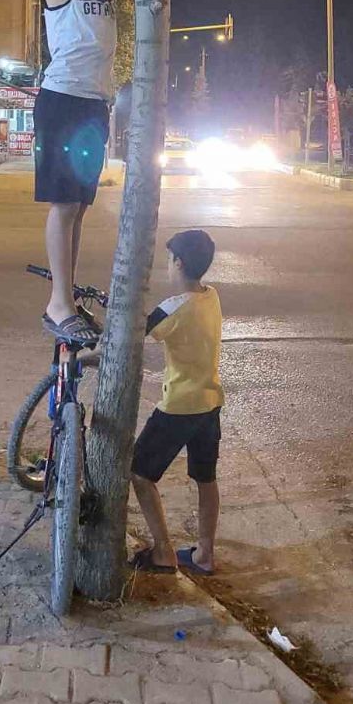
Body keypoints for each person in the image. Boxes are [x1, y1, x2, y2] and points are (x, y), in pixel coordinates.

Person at [35, 0, 152, 345]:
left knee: (80, 205)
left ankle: (67, 297)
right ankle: (58, 303)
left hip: (93, 103)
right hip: (62, 98)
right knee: (64, 205)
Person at [129, 230, 223, 576]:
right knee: (205, 477)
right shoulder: (211, 296)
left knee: (139, 472)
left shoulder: (172, 309)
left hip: (179, 406)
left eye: (168, 260)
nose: (166, 268)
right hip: (210, 401)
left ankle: (164, 552)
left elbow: (132, 337)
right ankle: (205, 554)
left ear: (178, 263)